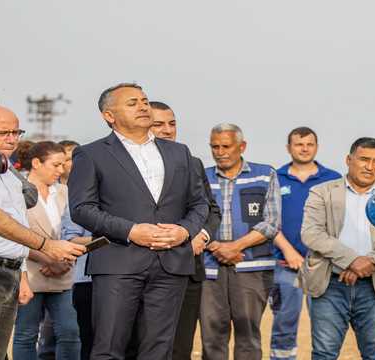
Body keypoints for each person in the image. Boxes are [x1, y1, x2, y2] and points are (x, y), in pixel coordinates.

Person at [68, 83, 209, 359]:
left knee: (159, 350)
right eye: (132, 103)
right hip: (118, 262)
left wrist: (184, 231)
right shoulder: (91, 154)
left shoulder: (179, 152)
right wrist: (131, 231)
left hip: (172, 264)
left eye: (144, 101)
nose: (143, 106)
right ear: (109, 116)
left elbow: (199, 203)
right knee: (109, 348)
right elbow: (82, 209)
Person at [0, 105, 85, 360]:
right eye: (3, 132)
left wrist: (20, 276)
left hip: (9, 273)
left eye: (16, 132)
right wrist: (46, 246)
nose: (12, 139)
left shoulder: (9, 173)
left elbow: (14, 223)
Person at [298, 137, 375, 360]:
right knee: (324, 353)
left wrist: (371, 261)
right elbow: (311, 233)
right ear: (349, 160)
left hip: (374, 287)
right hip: (330, 284)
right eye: (364, 159)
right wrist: (352, 261)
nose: (370, 166)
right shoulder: (322, 192)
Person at [148, 101, 222, 360]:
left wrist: (199, 236)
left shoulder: (193, 162)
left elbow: (211, 210)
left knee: (181, 349)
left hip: (188, 269)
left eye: (172, 123)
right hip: (141, 272)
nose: (168, 130)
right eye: (159, 124)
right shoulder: (127, 165)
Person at [201, 123, 281, 360]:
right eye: (214, 146)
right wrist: (217, 248)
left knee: (248, 337)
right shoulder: (201, 177)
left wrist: (235, 247)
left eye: (226, 146)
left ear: (242, 146)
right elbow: (194, 219)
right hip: (208, 268)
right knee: (211, 336)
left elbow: (272, 223)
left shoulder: (265, 174)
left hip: (252, 268)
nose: (220, 152)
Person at [269, 127, 340, 360]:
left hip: (322, 266)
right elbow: (267, 221)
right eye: (299, 144)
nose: (304, 148)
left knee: (325, 328)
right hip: (284, 264)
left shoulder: (333, 179)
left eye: (309, 144)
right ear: (289, 147)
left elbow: (339, 223)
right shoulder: (275, 177)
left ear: (316, 147)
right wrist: (289, 252)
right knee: (283, 325)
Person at [13, 141, 80, 360]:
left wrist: (65, 261)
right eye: (56, 165)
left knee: (70, 332)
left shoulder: (66, 192)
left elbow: (74, 230)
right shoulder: (17, 190)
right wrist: (49, 259)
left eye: (63, 164)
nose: (61, 170)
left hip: (64, 273)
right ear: (36, 163)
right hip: (30, 273)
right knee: (26, 334)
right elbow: (14, 233)